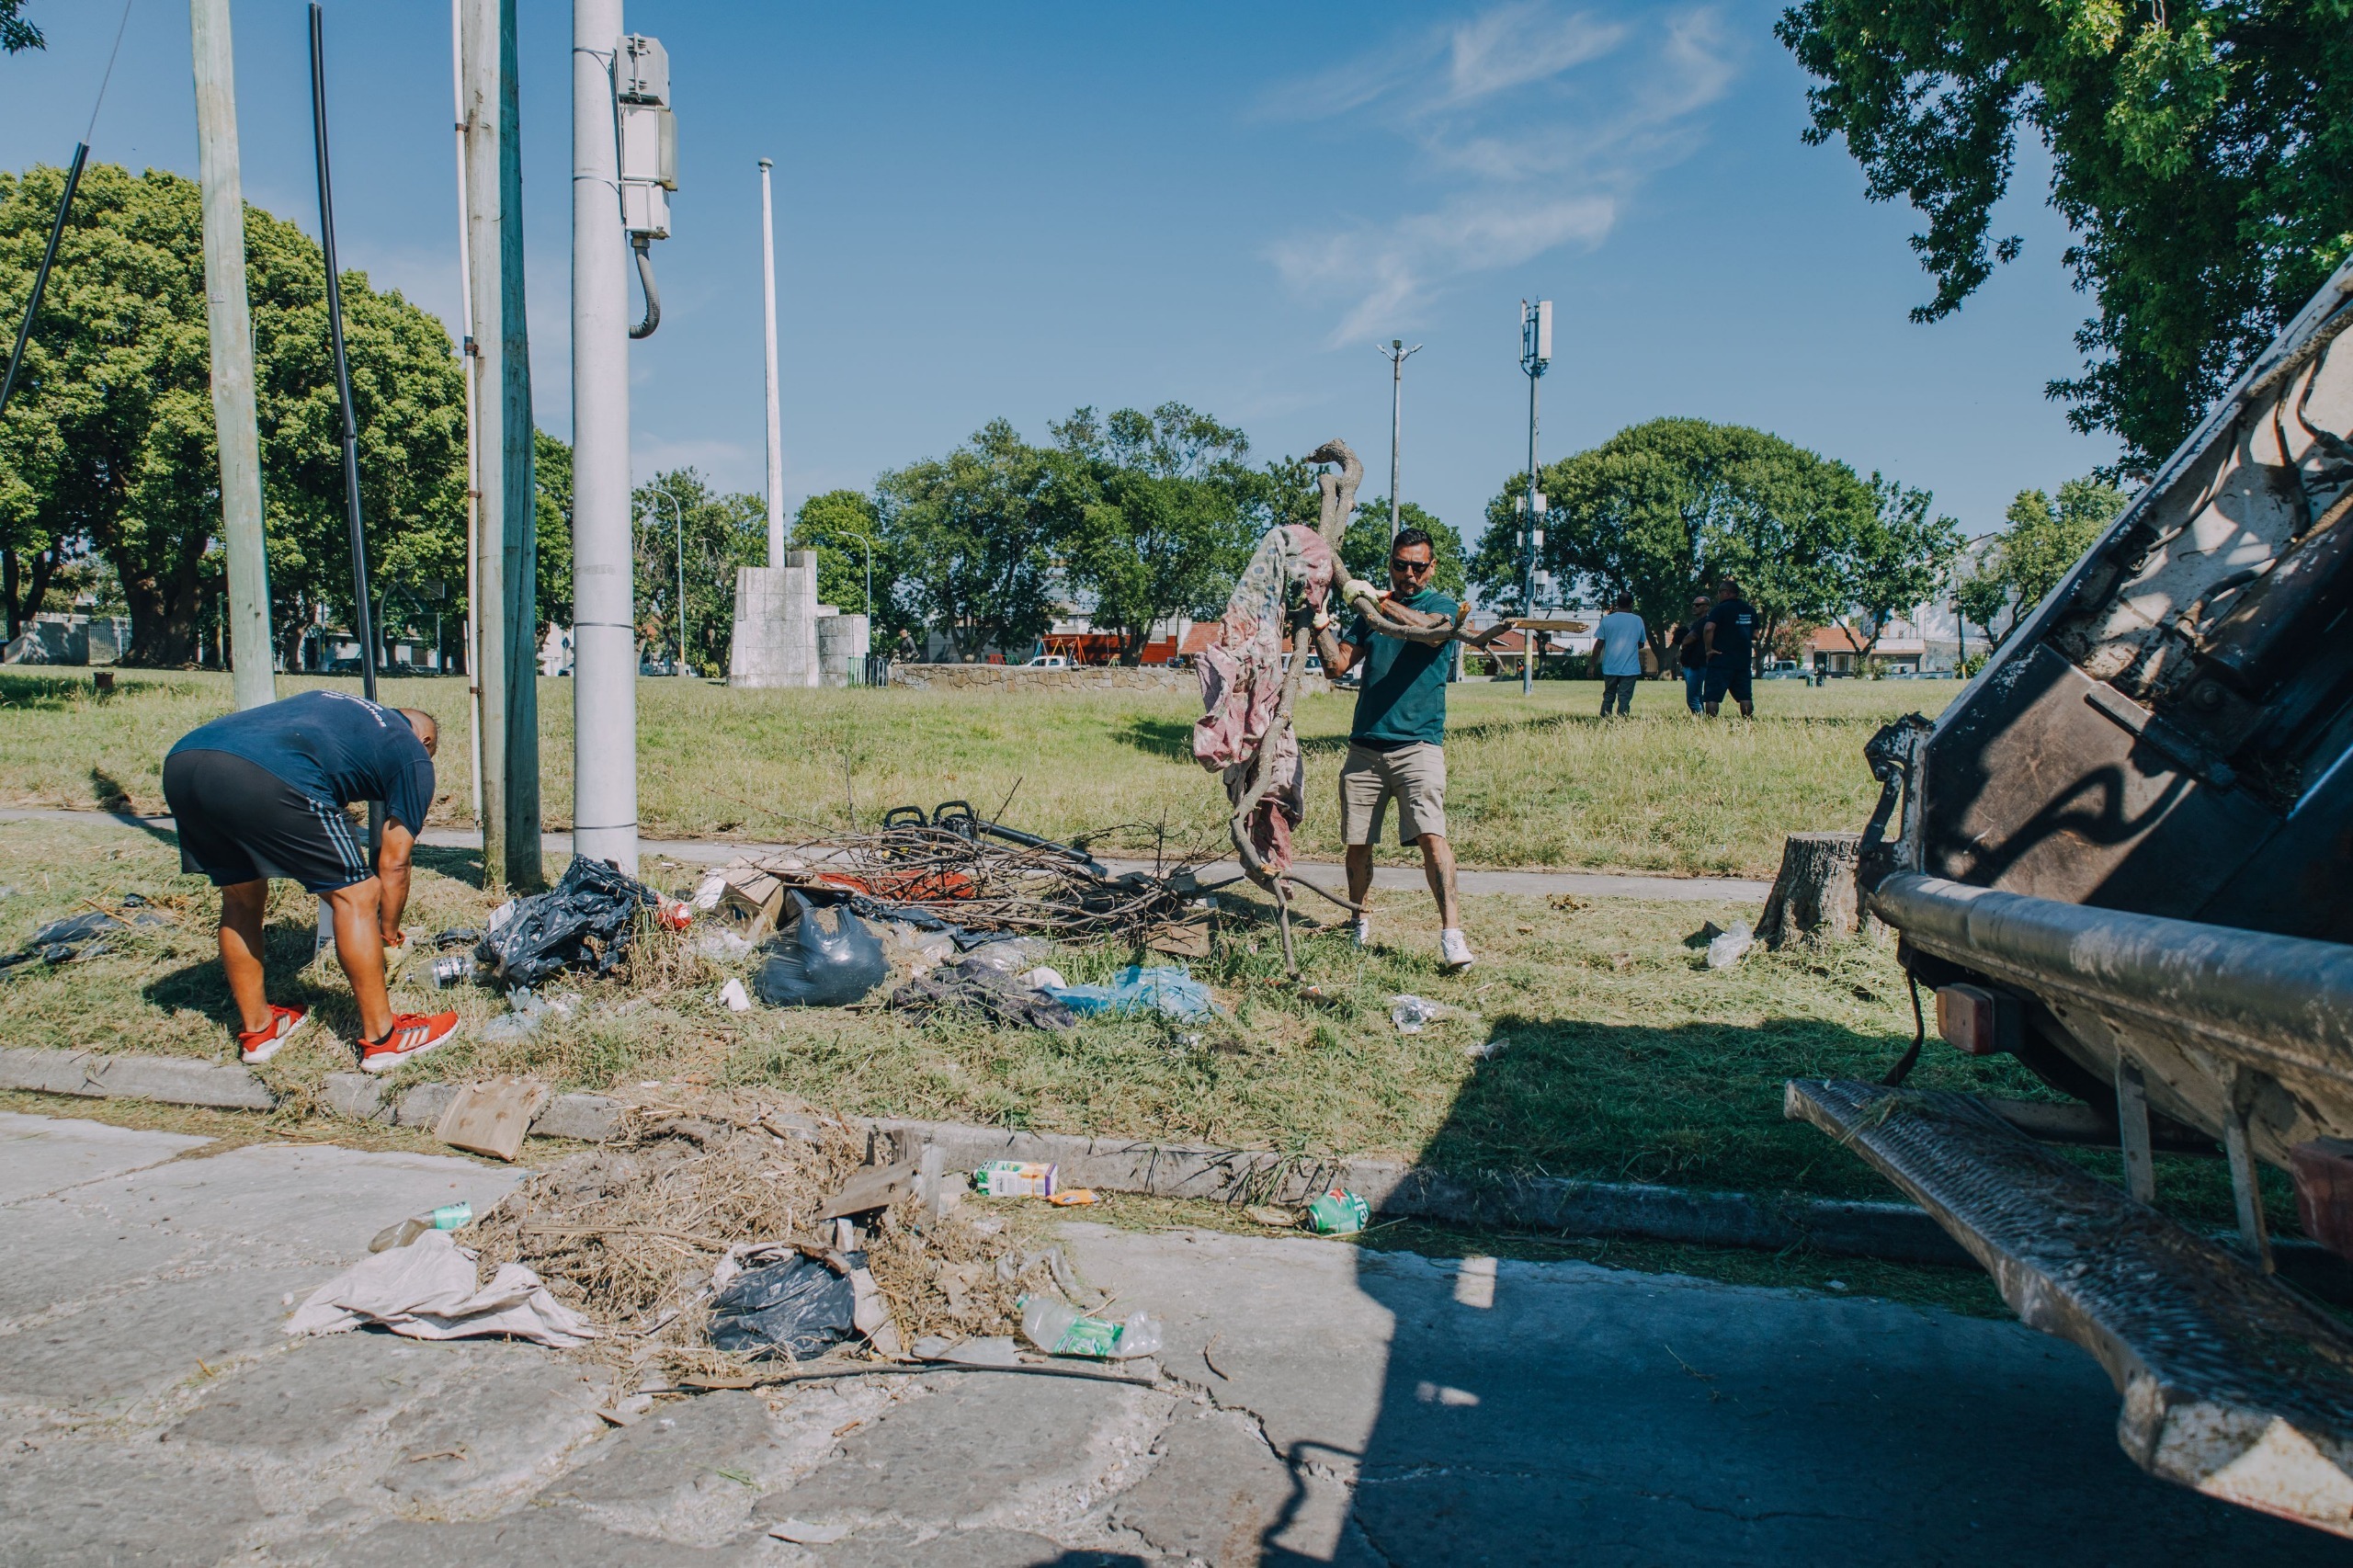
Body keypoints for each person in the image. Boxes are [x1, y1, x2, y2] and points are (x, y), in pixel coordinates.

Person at [161, 690, 460, 1074]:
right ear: (426, 740)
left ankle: (260, 1031)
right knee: (357, 895)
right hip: (271, 771)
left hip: (185, 761)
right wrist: (387, 936)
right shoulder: (412, 749)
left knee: (240, 897)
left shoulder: (341, 710)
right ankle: (384, 1040)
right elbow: (395, 863)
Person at [1324, 528, 1473, 972]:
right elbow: (1336, 665)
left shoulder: (1442, 606)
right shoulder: (1368, 609)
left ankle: (1452, 935)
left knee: (1432, 837)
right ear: (1390, 563)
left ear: (1432, 567)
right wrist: (1318, 625)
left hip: (1418, 746)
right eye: (1400, 565)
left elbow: (1430, 633)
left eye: (1418, 566)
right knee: (1357, 843)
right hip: (1365, 747)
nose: (1409, 574)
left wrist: (1377, 600)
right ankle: (1358, 922)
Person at [1701, 576, 1758, 718]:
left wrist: (1708, 649)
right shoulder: (1750, 610)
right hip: (1743, 660)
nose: (1718, 595)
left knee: (1712, 696)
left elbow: (1709, 628)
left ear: (1726, 593)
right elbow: (1756, 635)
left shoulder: (1719, 609)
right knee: (1745, 696)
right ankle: (1748, 722)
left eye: (1719, 592)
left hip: (1720, 659)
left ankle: (1710, 723)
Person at [1595, 591, 1646, 716]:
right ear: (1631, 604)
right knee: (1624, 699)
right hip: (1630, 668)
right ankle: (1622, 722)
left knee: (1608, 697)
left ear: (1617, 603)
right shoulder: (1637, 620)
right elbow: (1641, 643)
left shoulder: (1607, 620)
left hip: (1610, 667)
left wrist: (1592, 665)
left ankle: (1604, 720)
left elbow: (1599, 645)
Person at [1669, 596, 1711, 714]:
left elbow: (1690, 638)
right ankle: (1702, 719)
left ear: (1706, 607)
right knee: (1698, 697)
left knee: (1692, 699)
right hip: (1692, 664)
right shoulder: (1697, 623)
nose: (1694, 607)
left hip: (1697, 665)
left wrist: (1684, 642)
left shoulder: (1705, 622)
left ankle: (1700, 720)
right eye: (1693, 605)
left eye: (1697, 605)